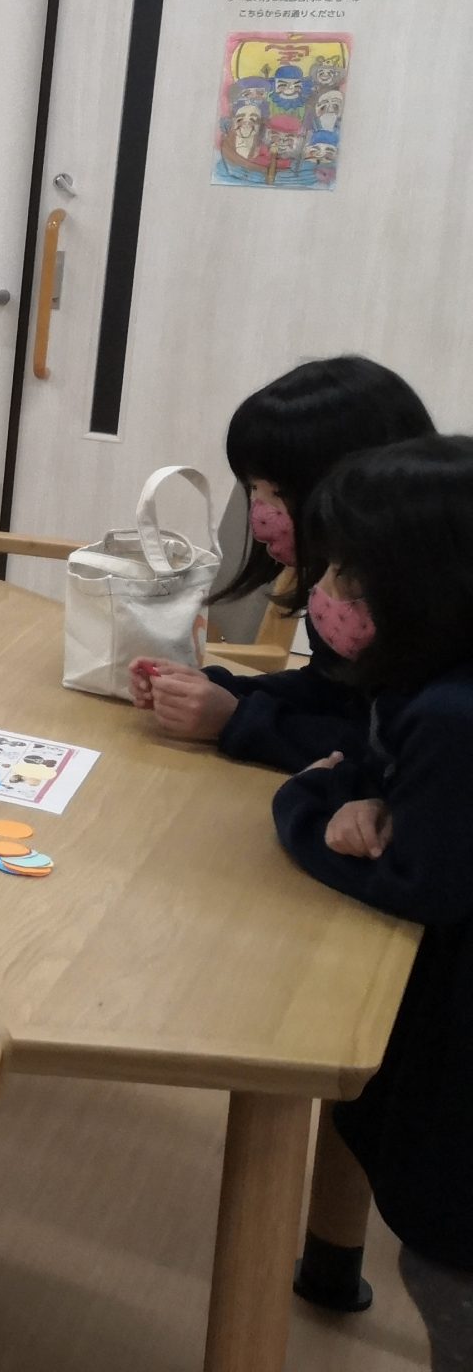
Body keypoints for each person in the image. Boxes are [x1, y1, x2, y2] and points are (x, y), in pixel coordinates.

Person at [270, 436, 473, 1361]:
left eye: (351, 573)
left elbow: (415, 880)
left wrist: (306, 804)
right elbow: (386, 775)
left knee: (445, 1266)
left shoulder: (451, 714)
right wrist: (365, 792)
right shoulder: (430, 682)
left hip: (453, 1047)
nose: (327, 592)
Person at [130, 356, 432, 769]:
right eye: (253, 488)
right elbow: (332, 691)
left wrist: (236, 720)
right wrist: (219, 690)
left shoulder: (432, 625)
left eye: (276, 491)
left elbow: (395, 754)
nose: (258, 512)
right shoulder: (347, 582)